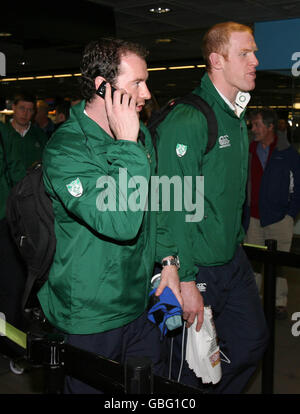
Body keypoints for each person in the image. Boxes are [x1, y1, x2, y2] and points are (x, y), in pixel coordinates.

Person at [37, 38, 182, 394]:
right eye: (137, 83)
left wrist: (170, 263)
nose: (147, 93)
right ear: (103, 87)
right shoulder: (67, 149)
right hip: (90, 315)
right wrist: (128, 144)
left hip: (139, 303)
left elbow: (156, 205)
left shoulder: (141, 135)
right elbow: (119, 221)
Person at [155, 21, 269, 394]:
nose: (255, 60)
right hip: (191, 266)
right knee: (179, 363)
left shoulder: (235, 117)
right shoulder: (187, 119)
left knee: (252, 342)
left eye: (253, 52)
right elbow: (169, 206)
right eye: (245, 53)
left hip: (230, 260)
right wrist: (184, 280)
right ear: (216, 60)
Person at [245, 108, 300, 319]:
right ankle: (252, 301)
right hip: (253, 220)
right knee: (254, 263)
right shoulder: (249, 150)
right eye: (253, 125)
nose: (254, 129)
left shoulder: (287, 154)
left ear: (270, 127)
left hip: (279, 220)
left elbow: (297, 187)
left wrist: (290, 215)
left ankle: (279, 303)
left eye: (258, 125)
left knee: (277, 265)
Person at [0, 121, 27, 359]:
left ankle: (12, 347)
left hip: (4, 221)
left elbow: (17, 172)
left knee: (11, 285)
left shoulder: (5, 135)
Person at [2, 93, 48, 170]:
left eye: (29, 110)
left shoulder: (40, 136)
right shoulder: (3, 134)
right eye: (22, 108)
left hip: (33, 181)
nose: (25, 113)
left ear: (33, 112)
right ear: (14, 107)